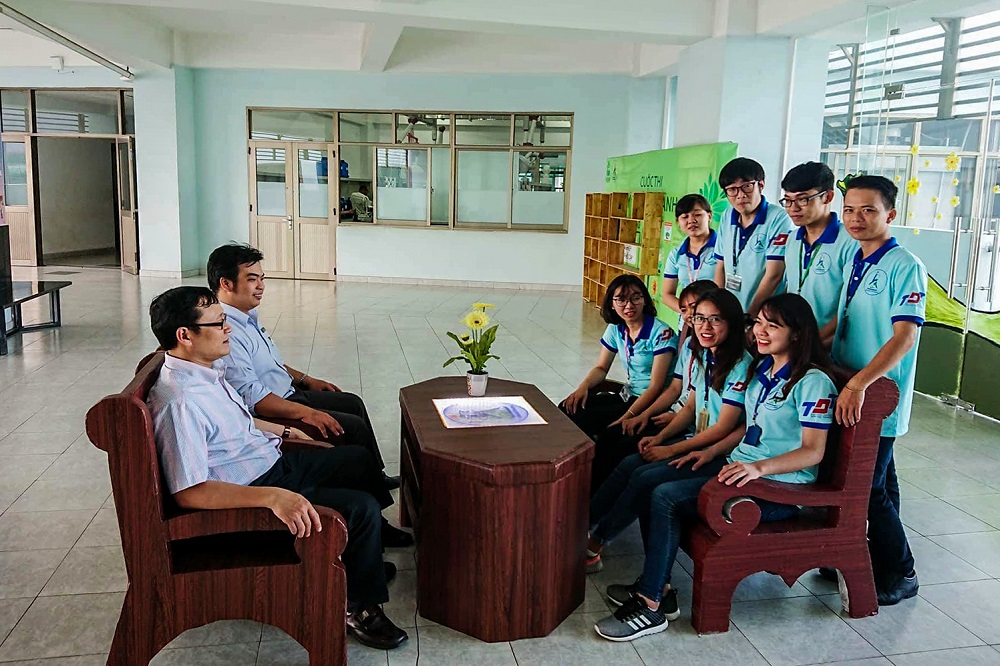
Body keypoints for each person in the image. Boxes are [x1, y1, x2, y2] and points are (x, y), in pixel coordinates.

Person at [145, 286, 408, 650]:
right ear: (184, 335)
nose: (228, 330)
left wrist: (287, 431)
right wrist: (273, 497)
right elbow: (191, 491)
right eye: (218, 323)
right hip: (254, 489)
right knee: (358, 507)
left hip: (270, 459)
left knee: (355, 460)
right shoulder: (180, 401)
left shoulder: (205, 370)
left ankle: (363, 557)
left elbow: (241, 422)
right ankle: (358, 607)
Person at [594, 293, 838, 641]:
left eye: (774, 326)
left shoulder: (812, 382)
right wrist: (711, 454)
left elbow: (813, 452)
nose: (762, 332)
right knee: (650, 482)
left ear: (798, 333)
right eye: (760, 324)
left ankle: (649, 604)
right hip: (740, 468)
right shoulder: (764, 369)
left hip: (778, 488)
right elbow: (746, 424)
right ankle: (657, 589)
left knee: (665, 496)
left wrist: (759, 469)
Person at [206, 244, 408, 547]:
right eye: (251, 278)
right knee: (351, 426)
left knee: (352, 402)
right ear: (226, 283)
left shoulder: (245, 316)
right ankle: (375, 520)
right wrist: (305, 413)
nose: (261, 286)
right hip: (275, 407)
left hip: (289, 391)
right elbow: (254, 398)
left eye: (262, 277)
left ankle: (374, 478)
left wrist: (306, 379)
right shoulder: (226, 330)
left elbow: (270, 362)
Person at [585, 288, 751, 574]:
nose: (703, 326)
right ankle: (583, 525)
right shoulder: (706, 355)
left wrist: (670, 449)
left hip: (717, 452)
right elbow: (689, 407)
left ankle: (595, 544)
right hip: (694, 438)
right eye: (698, 318)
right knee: (630, 462)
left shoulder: (739, 364)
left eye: (714, 320)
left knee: (645, 477)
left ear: (732, 323)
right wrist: (658, 438)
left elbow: (725, 427)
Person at [827, 175, 925, 606]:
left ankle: (902, 572)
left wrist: (858, 383)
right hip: (852, 386)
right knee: (881, 480)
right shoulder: (857, 258)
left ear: (890, 214)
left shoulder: (905, 265)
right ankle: (869, 556)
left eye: (868, 210)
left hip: (875, 396)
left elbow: (904, 337)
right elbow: (844, 321)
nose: (856, 218)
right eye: (849, 210)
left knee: (868, 488)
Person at [596, 280, 719, 482]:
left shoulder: (727, 357)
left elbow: (664, 390)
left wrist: (641, 416)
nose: (689, 315)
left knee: (620, 445)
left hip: (686, 421)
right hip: (674, 411)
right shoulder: (689, 344)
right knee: (577, 413)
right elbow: (676, 388)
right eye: (684, 309)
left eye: (695, 308)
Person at [561, 275, 677, 488]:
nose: (629, 305)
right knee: (569, 408)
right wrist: (582, 388)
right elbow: (601, 368)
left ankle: (590, 491)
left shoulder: (661, 333)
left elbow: (656, 387)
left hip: (653, 405)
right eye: (621, 299)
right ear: (612, 304)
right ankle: (570, 475)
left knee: (610, 435)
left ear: (645, 300)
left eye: (636, 298)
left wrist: (626, 416)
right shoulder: (616, 328)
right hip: (629, 396)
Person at [778, 162, 858, 340]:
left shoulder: (851, 242)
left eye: (803, 199)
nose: (793, 208)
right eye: (788, 200)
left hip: (829, 348)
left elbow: (850, 307)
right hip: (794, 342)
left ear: (828, 197)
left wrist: (814, 346)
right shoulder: (792, 240)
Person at [712, 157, 794, 316]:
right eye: (732, 189)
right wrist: (719, 310)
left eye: (747, 186)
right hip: (731, 314)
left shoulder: (778, 218)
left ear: (761, 185)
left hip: (764, 316)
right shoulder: (727, 215)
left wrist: (750, 316)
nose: (740, 195)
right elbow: (720, 266)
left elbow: (774, 275)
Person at [661, 195, 719, 314]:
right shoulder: (676, 255)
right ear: (678, 222)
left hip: (716, 320)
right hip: (687, 323)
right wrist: (688, 312)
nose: (691, 220)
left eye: (697, 214)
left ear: (709, 216)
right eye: (685, 216)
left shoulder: (723, 249)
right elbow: (667, 295)